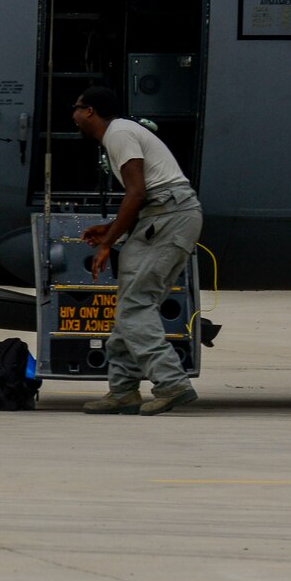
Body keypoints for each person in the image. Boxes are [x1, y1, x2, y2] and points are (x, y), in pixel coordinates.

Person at [70, 85, 204, 416]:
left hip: (168, 216)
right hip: (163, 217)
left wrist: (107, 243)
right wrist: (113, 229)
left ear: (89, 111)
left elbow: (137, 193)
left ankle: (172, 384)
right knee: (132, 307)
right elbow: (141, 197)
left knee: (134, 307)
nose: (72, 116)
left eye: (76, 108)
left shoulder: (118, 133)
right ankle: (123, 391)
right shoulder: (120, 133)